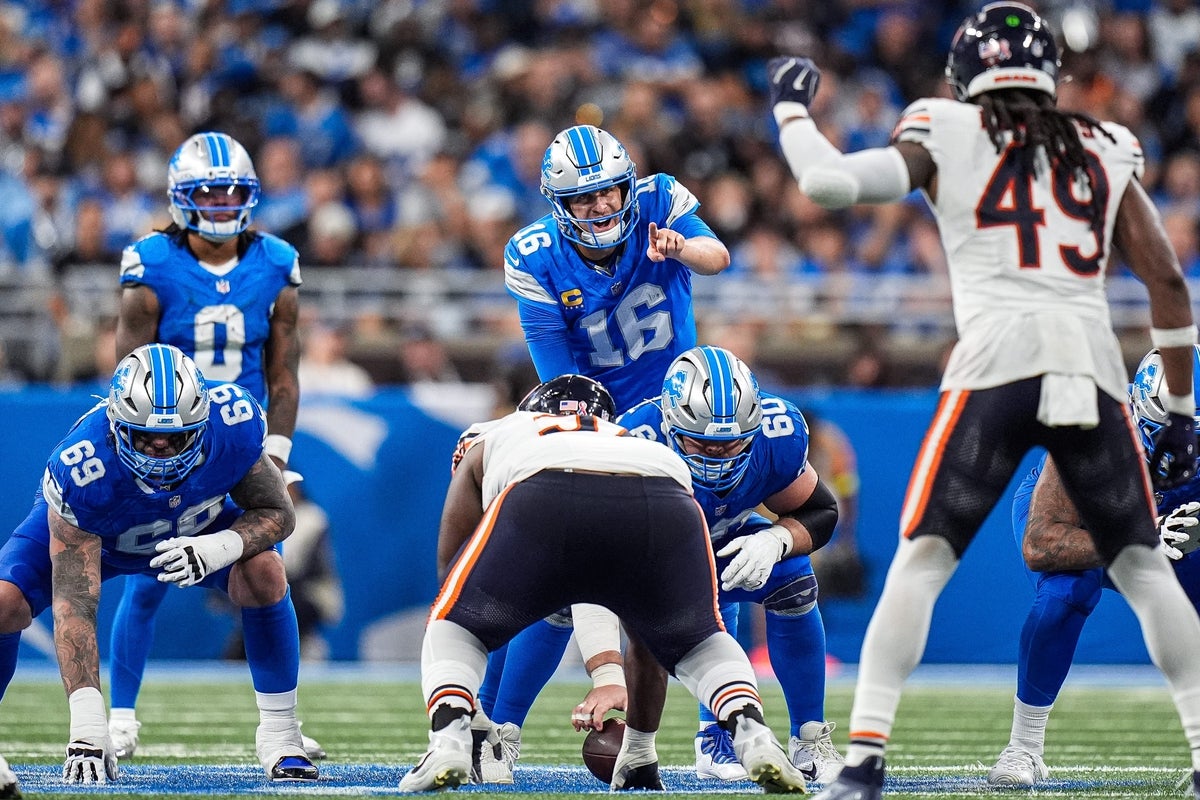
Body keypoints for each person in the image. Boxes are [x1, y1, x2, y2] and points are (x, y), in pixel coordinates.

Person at [767, 4, 1200, 799]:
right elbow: (1168, 284)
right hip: (1087, 368)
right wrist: (1174, 405)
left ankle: (862, 761)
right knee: (1147, 574)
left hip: (996, 365)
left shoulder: (943, 127)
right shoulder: (1106, 146)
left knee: (921, 565)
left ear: (966, 75)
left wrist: (792, 107)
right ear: (1049, 75)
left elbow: (827, 182)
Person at [397, 375, 806, 794]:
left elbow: (459, 559)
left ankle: (449, 738)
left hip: (543, 489)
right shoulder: (633, 436)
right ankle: (751, 730)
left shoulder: (498, 432)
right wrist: (640, 748)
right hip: (666, 495)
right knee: (700, 640)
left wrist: (455, 601)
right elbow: (637, 635)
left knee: (451, 625)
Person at [475, 122, 732, 779]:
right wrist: (583, 422)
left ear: (628, 186)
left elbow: (718, 258)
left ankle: (719, 736)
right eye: (583, 199)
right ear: (558, 206)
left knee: (711, 556)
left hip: (679, 411)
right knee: (554, 580)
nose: (599, 208)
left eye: (608, 193)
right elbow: (557, 374)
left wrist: (681, 247)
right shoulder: (533, 254)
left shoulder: (659, 199)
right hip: (590, 413)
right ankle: (494, 727)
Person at [0, 344, 318, 784]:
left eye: (178, 436)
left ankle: (282, 735)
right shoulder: (84, 466)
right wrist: (89, 728)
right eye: (146, 436)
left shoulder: (231, 426)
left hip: (193, 527)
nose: (162, 450)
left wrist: (219, 548)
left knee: (265, 571)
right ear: (116, 424)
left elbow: (279, 514)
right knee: (4, 601)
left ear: (203, 421)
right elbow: (74, 606)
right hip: (104, 538)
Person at [111, 131, 322, 761]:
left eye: (234, 192)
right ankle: (119, 715)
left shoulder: (277, 263)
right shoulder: (150, 264)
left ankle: (280, 728)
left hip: (243, 449)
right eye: (208, 191)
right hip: (166, 437)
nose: (223, 203)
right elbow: (127, 370)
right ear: (182, 197)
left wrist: (277, 455)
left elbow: (283, 376)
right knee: (147, 578)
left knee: (266, 571)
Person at [617, 345, 842, 783]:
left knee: (794, 580)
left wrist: (777, 539)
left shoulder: (777, 435)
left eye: (732, 443)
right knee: (564, 613)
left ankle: (808, 740)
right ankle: (496, 731)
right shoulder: (635, 442)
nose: (717, 456)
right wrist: (604, 662)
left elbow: (821, 511)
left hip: (723, 540)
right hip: (650, 554)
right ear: (670, 425)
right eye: (701, 443)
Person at [989, 345, 1200, 787]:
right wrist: (1141, 538)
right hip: (1083, 518)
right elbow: (1042, 543)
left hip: (1171, 517)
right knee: (1067, 591)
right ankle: (1024, 748)